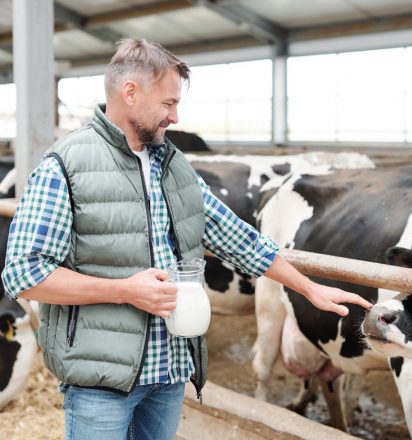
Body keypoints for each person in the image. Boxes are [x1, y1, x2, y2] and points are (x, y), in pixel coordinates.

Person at [1, 38, 371, 439]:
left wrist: (309, 289)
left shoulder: (174, 166)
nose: (175, 117)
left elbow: (239, 239)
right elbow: (24, 273)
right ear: (130, 93)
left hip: (171, 368)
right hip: (101, 379)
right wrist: (124, 290)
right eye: (168, 104)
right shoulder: (64, 165)